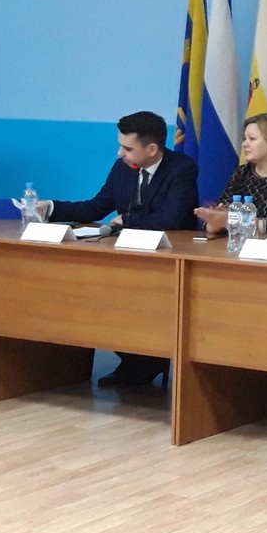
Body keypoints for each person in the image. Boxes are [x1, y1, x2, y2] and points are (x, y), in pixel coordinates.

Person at [41, 110, 198, 387]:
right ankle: (137, 360)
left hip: (168, 257)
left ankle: (147, 360)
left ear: (152, 149)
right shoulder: (122, 168)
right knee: (94, 293)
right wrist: (52, 208)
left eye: (127, 148)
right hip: (128, 254)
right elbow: (96, 207)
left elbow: (172, 219)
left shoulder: (181, 168)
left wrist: (128, 220)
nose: (120, 153)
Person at [194, 112, 267, 240]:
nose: (244, 144)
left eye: (252, 139)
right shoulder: (242, 173)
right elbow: (223, 217)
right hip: (240, 246)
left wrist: (229, 221)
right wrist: (214, 222)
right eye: (244, 138)